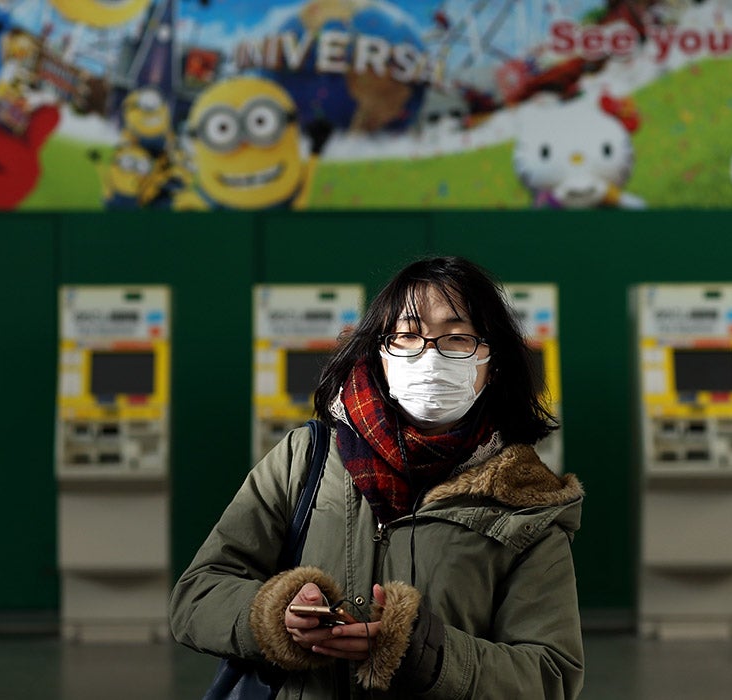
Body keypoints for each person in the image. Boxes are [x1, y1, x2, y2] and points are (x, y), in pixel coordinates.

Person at [169, 256, 585, 698]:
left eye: (458, 337)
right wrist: (275, 614)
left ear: (492, 363)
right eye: (408, 335)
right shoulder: (303, 458)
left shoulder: (526, 502)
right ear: (379, 353)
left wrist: (425, 653)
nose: (429, 354)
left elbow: (550, 675)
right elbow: (197, 596)